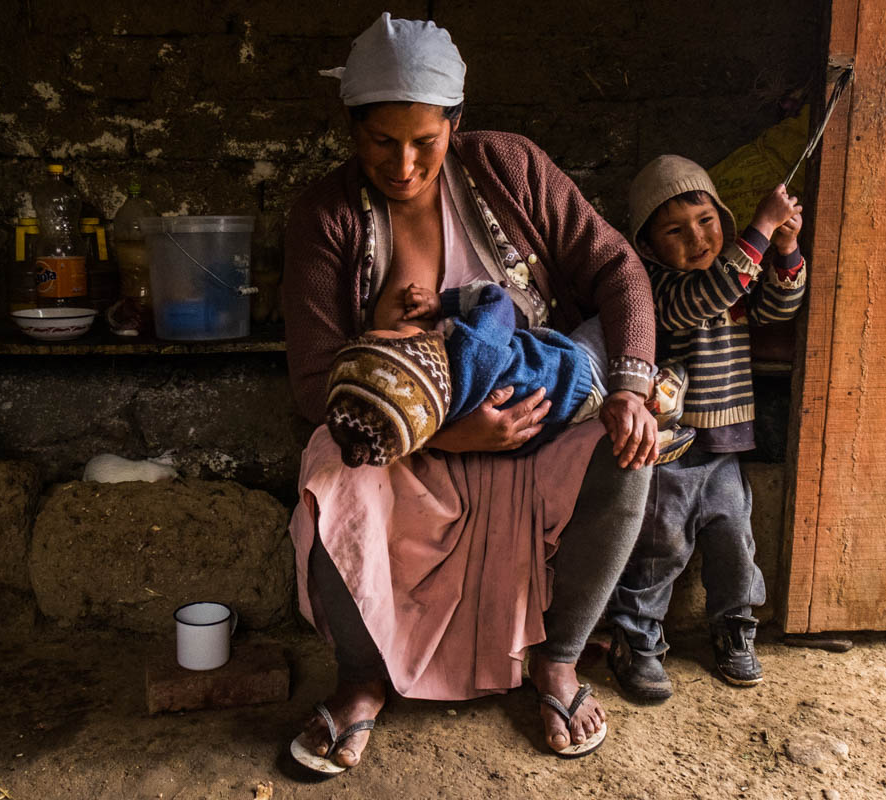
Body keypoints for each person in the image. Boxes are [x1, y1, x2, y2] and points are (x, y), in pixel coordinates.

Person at [282, 13, 659, 772]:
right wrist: (448, 435)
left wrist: (630, 385)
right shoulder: (326, 216)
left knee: (628, 453)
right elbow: (315, 378)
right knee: (329, 467)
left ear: (457, 121)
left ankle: (557, 660)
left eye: (426, 140)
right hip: (408, 446)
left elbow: (618, 268)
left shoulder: (510, 169)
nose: (405, 164)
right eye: (381, 141)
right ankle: (361, 679)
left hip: (536, 429)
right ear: (351, 128)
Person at [605, 154, 807, 702]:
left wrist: (783, 247)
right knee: (658, 547)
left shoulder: (736, 278)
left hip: (725, 449)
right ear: (647, 246)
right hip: (670, 453)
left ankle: (734, 629)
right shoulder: (657, 289)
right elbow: (708, 295)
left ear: (723, 216)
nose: (697, 238)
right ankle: (637, 641)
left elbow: (779, 307)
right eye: (675, 231)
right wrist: (758, 232)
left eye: (707, 221)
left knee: (735, 542)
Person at [324, 280, 694, 467]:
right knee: (608, 327)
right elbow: (495, 300)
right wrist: (444, 302)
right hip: (575, 369)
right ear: (411, 353)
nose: (413, 326)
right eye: (391, 334)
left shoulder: (442, 417)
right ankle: (656, 390)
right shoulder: (472, 348)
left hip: (551, 426)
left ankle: (646, 432)